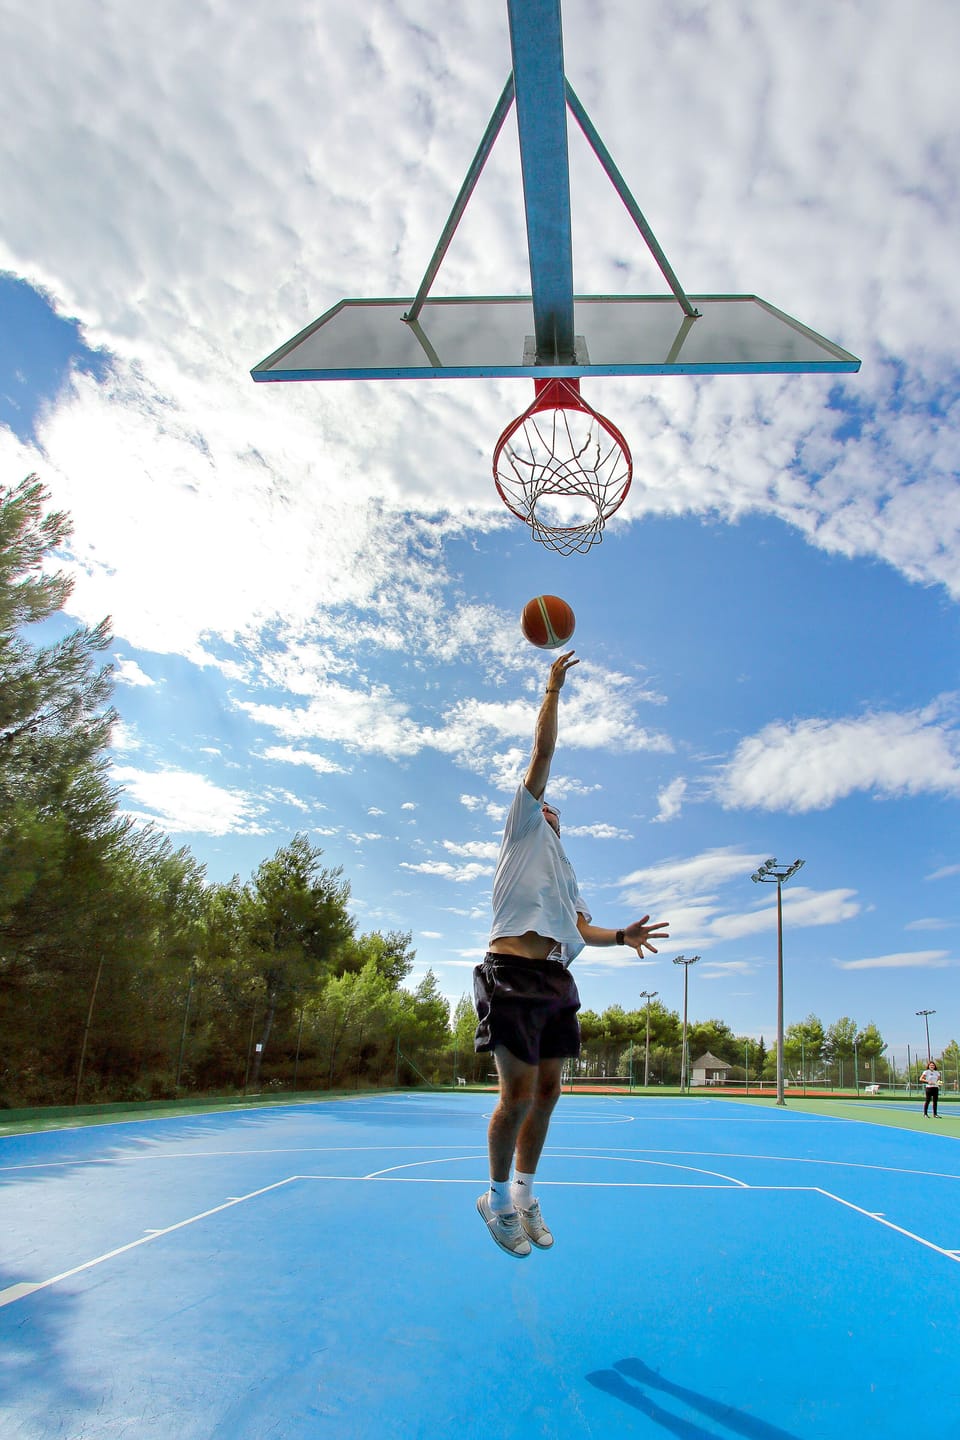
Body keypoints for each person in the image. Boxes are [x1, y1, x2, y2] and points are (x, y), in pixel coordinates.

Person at [473, 649, 670, 1257]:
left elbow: (581, 929)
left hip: (555, 980)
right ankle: (498, 1199)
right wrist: (553, 691)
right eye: (545, 804)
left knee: (551, 1091)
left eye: (556, 810)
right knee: (518, 1093)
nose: (551, 808)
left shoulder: (566, 871)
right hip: (509, 973)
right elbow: (543, 756)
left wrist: (624, 937)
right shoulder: (522, 829)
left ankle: (528, 1194)